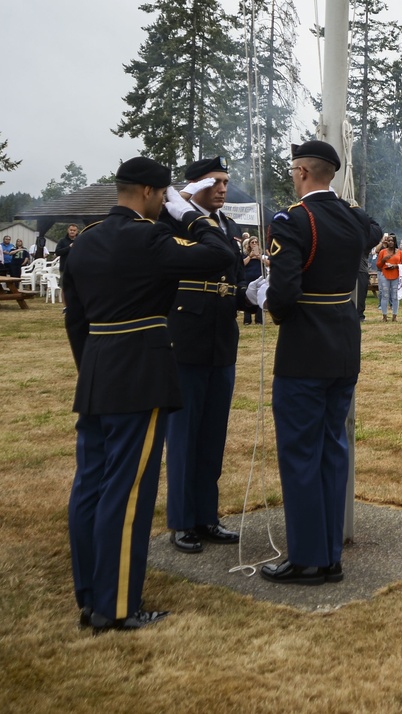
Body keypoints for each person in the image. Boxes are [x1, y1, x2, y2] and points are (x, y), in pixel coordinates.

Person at [64, 156, 234, 631]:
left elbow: (75, 320)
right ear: (147, 193)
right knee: (127, 491)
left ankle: (89, 591)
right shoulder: (151, 237)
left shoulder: (87, 241)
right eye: (164, 197)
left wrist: (92, 368)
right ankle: (114, 606)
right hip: (139, 370)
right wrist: (193, 215)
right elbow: (221, 253)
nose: (165, 203)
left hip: (98, 369)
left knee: (90, 486)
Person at [259, 140, 381, 585]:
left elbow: (285, 292)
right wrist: (346, 203)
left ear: (303, 173)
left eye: (294, 170)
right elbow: (375, 228)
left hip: (305, 349)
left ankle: (310, 557)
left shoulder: (293, 221)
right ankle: (328, 554)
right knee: (333, 450)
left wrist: (277, 313)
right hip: (344, 343)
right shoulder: (351, 218)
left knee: (300, 454)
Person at [163, 156, 247, 555]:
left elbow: (232, 278)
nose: (223, 188)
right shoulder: (173, 220)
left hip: (220, 338)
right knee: (184, 435)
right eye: (215, 181)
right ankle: (181, 521)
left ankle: (206, 516)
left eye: (226, 182)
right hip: (186, 337)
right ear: (194, 185)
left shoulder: (227, 225)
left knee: (213, 434)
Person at [376, 234, 402, 321]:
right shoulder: (382, 252)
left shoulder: (400, 252)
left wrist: (395, 266)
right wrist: (384, 260)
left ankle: (394, 316)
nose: (390, 242)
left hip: (396, 275)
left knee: (395, 296)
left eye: (392, 240)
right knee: (385, 295)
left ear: (395, 242)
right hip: (385, 275)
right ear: (386, 242)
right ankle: (384, 316)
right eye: (389, 240)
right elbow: (378, 265)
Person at [241, 236, 267, 325]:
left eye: (256, 242)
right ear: (249, 244)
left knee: (260, 297)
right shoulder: (245, 254)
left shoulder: (262, 254)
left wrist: (259, 257)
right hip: (248, 278)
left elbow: (267, 263)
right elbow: (242, 264)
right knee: (247, 298)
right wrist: (250, 256)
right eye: (252, 242)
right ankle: (247, 320)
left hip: (259, 278)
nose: (254, 244)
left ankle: (259, 320)